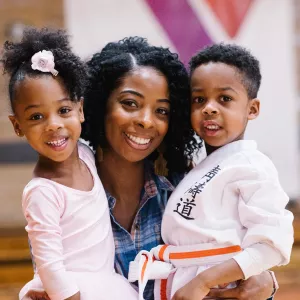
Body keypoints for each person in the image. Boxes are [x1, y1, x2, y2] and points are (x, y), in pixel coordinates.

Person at [21, 37, 277, 300]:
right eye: (130, 103)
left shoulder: (185, 190)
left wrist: (263, 281)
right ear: (97, 105)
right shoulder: (64, 196)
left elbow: (233, 258)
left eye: (162, 111)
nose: (146, 121)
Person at [129, 44, 294, 300]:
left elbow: (272, 244)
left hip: (220, 288)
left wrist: (205, 281)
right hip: (183, 280)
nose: (209, 108)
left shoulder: (252, 165)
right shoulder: (201, 167)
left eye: (225, 99)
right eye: (199, 99)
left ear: (252, 109)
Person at [2, 28, 138, 300]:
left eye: (63, 110)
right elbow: (49, 264)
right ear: (17, 126)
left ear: (80, 110)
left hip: (108, 284)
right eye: (36, 116)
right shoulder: (43, 192)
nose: (54, 125)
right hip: (72, 291)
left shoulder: (87, 154)